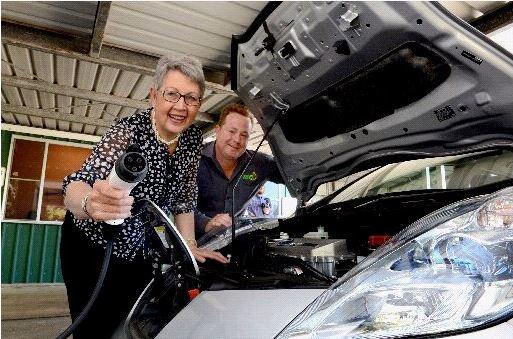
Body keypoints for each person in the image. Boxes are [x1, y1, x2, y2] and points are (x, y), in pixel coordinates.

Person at [60, 55, 228, 339]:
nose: (180, 106)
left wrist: (189, 246)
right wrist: (91, 203)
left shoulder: (192, 140)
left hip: (140, 250)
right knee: (93, 328)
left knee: (131, 322)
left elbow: (184, 197)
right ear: (154, 96)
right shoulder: (127, 132)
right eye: (172, 94)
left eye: (191, 98)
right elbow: (75, 186)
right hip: (93, 247)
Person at [195, 103, 283, 237]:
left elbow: (293, 175)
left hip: (234, 244)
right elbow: (176, 203)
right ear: (217, 130)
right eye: (232, 131)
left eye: (244, 135)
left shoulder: (260, 164)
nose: (237, 140)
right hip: (192, 245)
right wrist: (206, 223)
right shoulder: (193, 159)